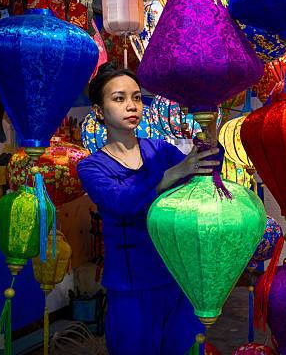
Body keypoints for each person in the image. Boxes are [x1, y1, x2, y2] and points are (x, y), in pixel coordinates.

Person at [77, 62, 219, 354]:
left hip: (178, 276)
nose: (132, 106)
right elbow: (122, 202)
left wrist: (209, 128)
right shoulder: (91, 167)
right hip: (131, 287)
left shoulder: (159, 150)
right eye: (119, 98)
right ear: (99, 111)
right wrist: (173, 173)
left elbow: (203, 172)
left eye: (137, 97)